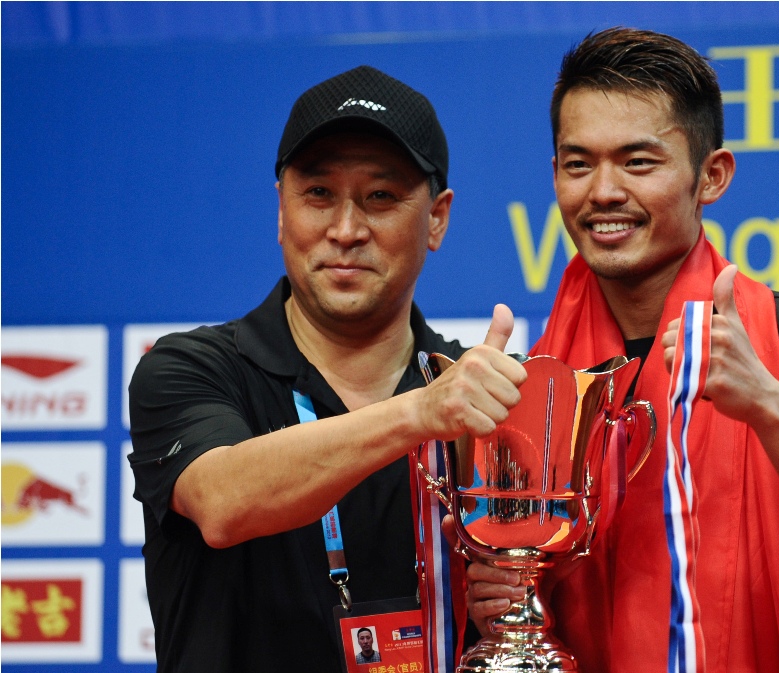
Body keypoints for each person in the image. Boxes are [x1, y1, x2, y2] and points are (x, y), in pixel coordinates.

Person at [465, 28, 779, 673]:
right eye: (578, 164)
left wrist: (770, 405)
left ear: (711, 176)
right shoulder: (533, 384)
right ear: (555, 175)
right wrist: (494, 600)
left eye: (638, 161)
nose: (602, 191)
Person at [128, 65, 525, 673]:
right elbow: (223, 501)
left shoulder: (489, 398)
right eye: (319, 194)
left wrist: (517, 601)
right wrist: (420, 412)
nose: (346, 230)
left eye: (381, 197)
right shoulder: (191, 368)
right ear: (282, 210)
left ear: (437, 218)